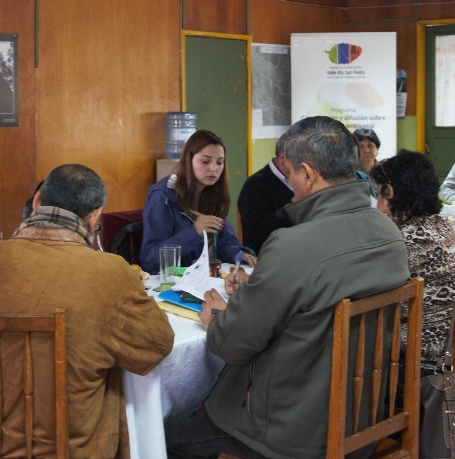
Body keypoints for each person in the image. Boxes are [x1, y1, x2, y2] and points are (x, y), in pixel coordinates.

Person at [164, 116, 410, 459]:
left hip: (289, 432)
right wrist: (265, 283)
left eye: (292, 174)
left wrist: (217, 319)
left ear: (307, 173)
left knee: (165, 437)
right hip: (361, 418)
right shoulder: (390, 236)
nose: (291, 185)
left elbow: (232, 345)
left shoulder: (292, 245)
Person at [0, 164, 173, 458]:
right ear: (95, 216)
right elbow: (156, 344)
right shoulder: (110, 274)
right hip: (69, 449)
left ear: (37, 201)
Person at [371, 150, 455, 374]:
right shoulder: (442, 227)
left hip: (422, 365)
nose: (378, 205)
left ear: (390, 191)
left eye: (379, 195)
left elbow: (367, 290)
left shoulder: (402, 241)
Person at [139, 129, 247, 274]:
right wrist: (194, 232)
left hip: (207, 280)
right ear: (188, 161)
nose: (214, 168)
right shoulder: (162, 196)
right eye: (205, 161)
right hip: (169, 285)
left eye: (220, 162)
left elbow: (226, 242)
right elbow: (149, 260)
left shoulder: (213, 194)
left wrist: (238, 254)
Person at [237, 131, 293, 253]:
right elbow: (255, 239)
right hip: (272, 261)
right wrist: (295, 206)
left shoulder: (304, 181)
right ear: (283, 159)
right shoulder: (255, 186)